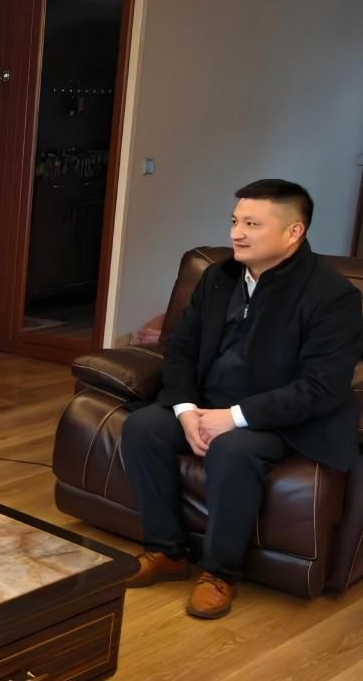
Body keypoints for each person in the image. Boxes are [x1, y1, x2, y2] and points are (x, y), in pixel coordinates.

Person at [119, 179, 362, 619]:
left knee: (232, 449)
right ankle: (167, 551)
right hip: (207, 404)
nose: (237, 234)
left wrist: (235, 417)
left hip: (283, 418)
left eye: (252, 224)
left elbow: (322, 387)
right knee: (143, 427)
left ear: (294, 231)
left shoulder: (333, 297)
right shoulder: (219, 277)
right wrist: (185, 409)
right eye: (235, 222)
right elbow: (181, 348)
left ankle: (219, 573)